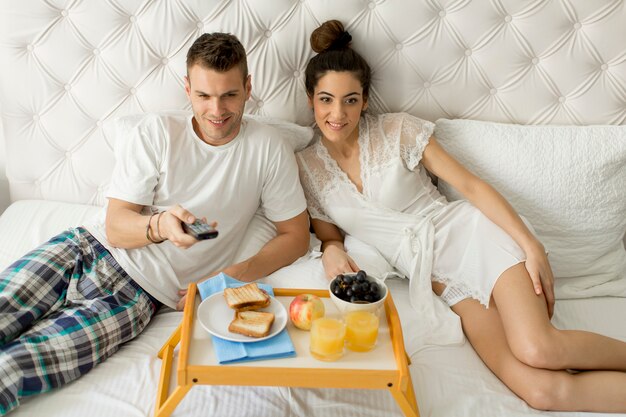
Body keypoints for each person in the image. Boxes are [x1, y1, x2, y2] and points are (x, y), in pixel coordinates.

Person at [296, 20, 626, 412]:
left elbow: (472, 187)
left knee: (539, 348)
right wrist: (331, 249)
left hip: (476, 240)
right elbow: (329, 235)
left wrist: (531, 246)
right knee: (541, 392)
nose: (338, 113)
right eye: (326, 100)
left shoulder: (396, 130)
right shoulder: (306, 167)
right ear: (310, 99)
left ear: (365, 100)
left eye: (350, 99)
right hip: (444, 283)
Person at [0, 32, 309, 415]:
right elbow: (116, 226)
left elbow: (295, 236)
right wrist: (161, 226)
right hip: (84, 249)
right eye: (203, 95)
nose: (217, 110)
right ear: (187, 89)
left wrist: (228, 277)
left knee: (10, 371)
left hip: (136, 297)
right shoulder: (157, 132)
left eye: (229, 94)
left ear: (248, 88)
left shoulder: (268, 148)